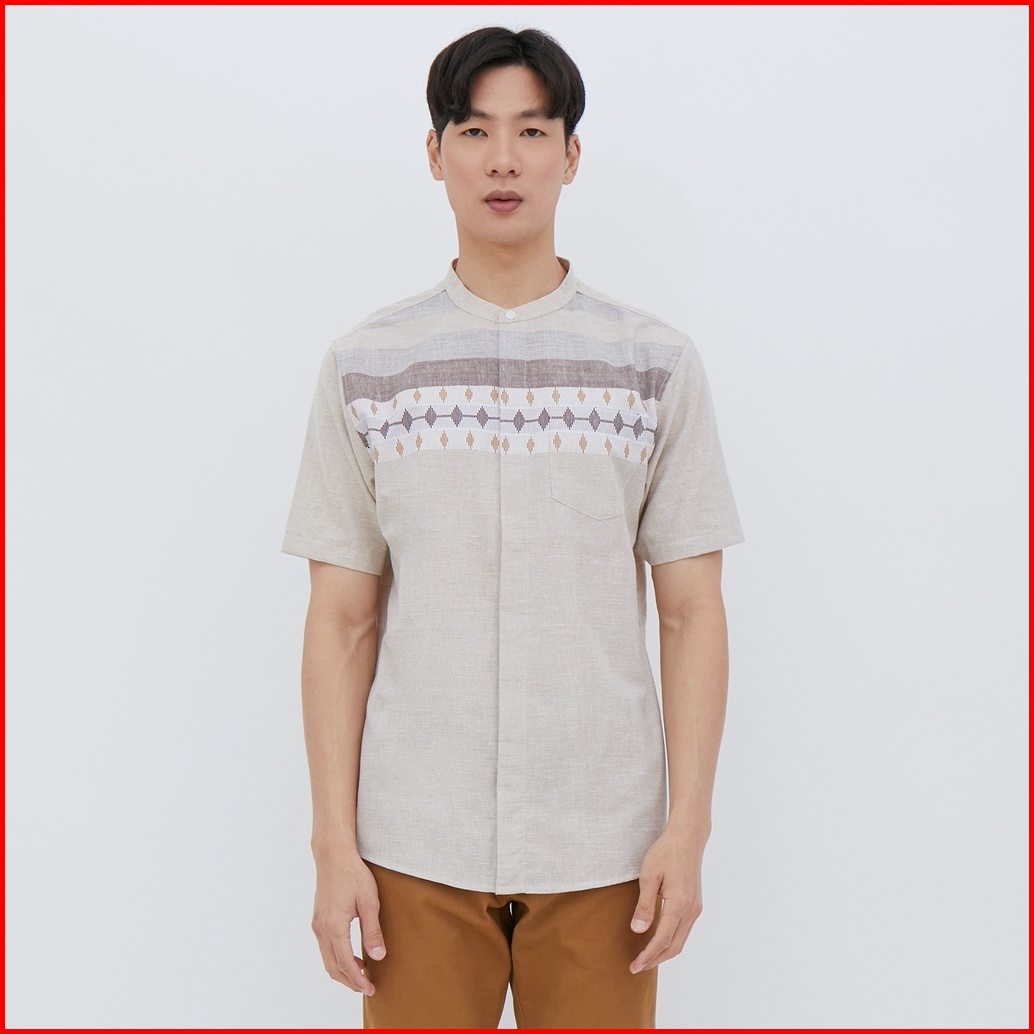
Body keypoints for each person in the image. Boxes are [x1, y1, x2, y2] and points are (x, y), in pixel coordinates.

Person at [282, 25, 743, 1029]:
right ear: (434, 152)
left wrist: (688, 828)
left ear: (570, 154)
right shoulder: (368, 365)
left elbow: (691, 613)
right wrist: (332, 845)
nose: (503, 159)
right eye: (474, 130)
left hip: (604, 846)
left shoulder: (652, 364)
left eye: (531, 130)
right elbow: (341, 620)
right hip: (413, 845)